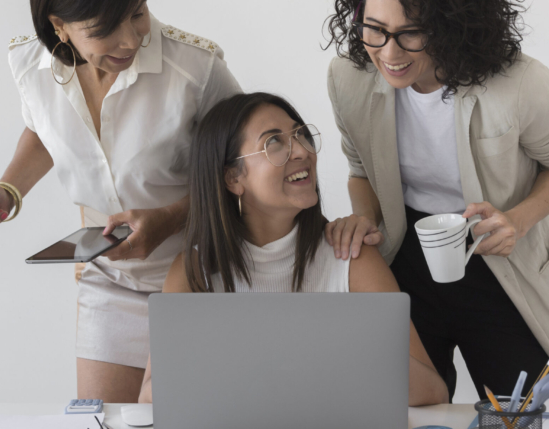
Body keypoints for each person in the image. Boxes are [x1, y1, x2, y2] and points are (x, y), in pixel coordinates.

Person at [0, 0, 241, 401]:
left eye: (138, 13)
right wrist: (7, 190)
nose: (129, 40)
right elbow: (47, 132)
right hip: (107, 279)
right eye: (103, 29)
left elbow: (246, 172)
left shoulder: (196, 69)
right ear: (58, 26)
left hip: (200, 272)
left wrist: (169, 219)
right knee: (100, 421)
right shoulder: (31, 66)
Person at [323, 0, 549, 400]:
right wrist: (365, 220)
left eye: (410, 34)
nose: (388, 53)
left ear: (450, 22)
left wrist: (517, 220)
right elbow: (361, 169)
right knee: (398, 407)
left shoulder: (517, 85)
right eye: (374, 29)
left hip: (496, 257)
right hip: (406, 252)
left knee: (535, 411)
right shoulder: (349, 77)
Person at [137, 92, 448, 406]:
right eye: (274, 142)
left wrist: (347, 342)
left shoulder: (352, 257)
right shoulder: (194, 270)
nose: (301, 150)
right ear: (233, 177)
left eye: (301, 135)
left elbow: (432, 393)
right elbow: (150, 399)